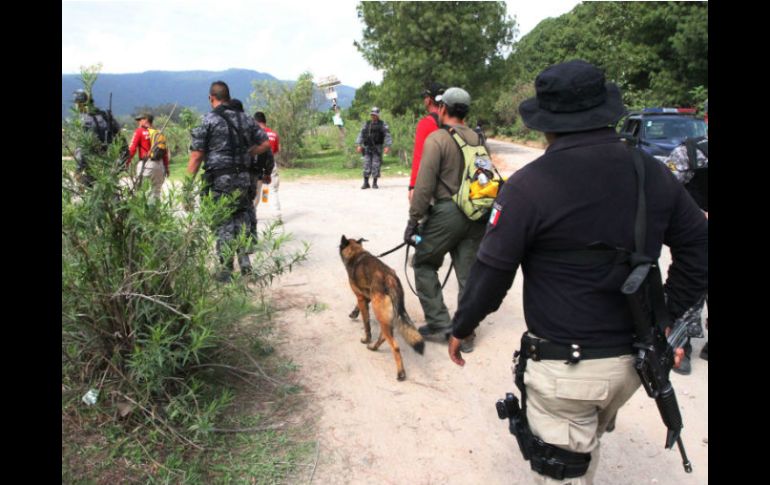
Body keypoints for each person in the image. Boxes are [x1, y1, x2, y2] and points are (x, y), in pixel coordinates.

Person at [447, 60, 708, 484]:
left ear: (546, 123)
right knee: (584, 449)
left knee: (563, 472)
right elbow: (699, 244)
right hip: (634, 365)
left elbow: (491, 273)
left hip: (567, 372)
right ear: (605, 112)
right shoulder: (652, 174)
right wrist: (670, 319)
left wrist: (462, 326)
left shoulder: (528, 187)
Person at [403, 87, 487, 354]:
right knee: (468, 274)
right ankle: (466, 332)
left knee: (424, 262)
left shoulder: (437, 139)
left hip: (447, 213)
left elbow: (424, 186)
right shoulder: (478, 138)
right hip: (475, 213)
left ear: (442, 109)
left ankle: (440, 323)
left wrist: (413, 220)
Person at [186, 81, 271, 281]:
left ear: (211, 98)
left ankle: (225, 270)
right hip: (244, 179)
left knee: (223, 220)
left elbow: (197, 156)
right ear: (229, 97)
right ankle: (245, 266)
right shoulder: (246, 119)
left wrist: (186, 188)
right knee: (243, 218)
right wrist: (252, 151)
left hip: (220, 180)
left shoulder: (207, 120)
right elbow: (266, 143)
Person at [664, 125, 709, 371]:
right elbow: (667, 188)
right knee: (690, 286)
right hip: (695, 231)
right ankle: (681, 344)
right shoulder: (690, 152)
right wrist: (696, 214)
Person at [72, 89, 122, 187]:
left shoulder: (84, 121)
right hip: (110, 166)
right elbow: (120, 140)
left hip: (91, 169)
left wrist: (78, 170)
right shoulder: (106, 116)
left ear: (80, 104)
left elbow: (81, 150)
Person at [408, 82, 446, 202]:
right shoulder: (454, 122)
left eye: (425, 97)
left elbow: (419, 157)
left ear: (429, 100)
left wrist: (413, 186)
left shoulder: (426, 124)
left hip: (432, 185)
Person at [125, 112, 169, 198]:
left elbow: (132, 149)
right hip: (159, 166)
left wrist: (126, 162)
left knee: (141, 193)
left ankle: (142, 211)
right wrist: (166, 167)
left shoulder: (139, 131)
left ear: (146, 120)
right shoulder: (158, 133)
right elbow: (165, 152)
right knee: (156, 193)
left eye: (140, 120)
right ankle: (155, 211)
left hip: (146, 165)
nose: (138, 122)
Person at [355, 107, 392, 189]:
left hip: (377, 147)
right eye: (372, 115)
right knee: (366, 164)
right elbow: (361, 134)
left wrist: (387, 146)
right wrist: (358, 144)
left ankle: (374, 183)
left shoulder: (382, 124)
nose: (373, 116)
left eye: (375, 115)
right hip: (367, 147)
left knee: (376, 165)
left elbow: (387, 135)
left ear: (378, 115)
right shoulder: (367, 124)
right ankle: (366, 183)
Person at [253, 111, 281, 212]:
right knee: (273, 190)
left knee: (256, 191)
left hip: (258, 166)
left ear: (256, 122)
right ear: (265, 121)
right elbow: (277, 150)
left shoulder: (255, 135)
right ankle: (277, 216)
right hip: (271, 164)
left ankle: (253, 214)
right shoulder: (274, 134)